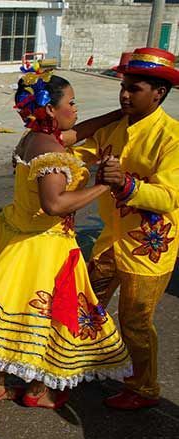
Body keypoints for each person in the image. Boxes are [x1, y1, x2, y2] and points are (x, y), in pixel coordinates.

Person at [0, 64, 132, 409]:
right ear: (51, 110)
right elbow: (55, 203)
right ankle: (38, 390)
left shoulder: (36, 138)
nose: (76, 108)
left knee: (7, 311)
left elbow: (80, 131)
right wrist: (104, 184)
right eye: (71, 102)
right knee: (44, 318)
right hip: (43, 245)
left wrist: (118, 112)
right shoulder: (51, 153)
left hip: (13, 234)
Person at [72, 47, 179, 410]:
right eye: (124, 86)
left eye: (134, 88)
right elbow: (71, 152)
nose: (125, 93)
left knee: (135, 322)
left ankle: (144, 387)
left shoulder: (172, 137)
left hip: (149, 249)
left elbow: (167, 197)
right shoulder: (113, 129)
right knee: (87, 304)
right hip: (109, 240)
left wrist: (128, 184)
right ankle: (80, 363)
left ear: (158, 93)